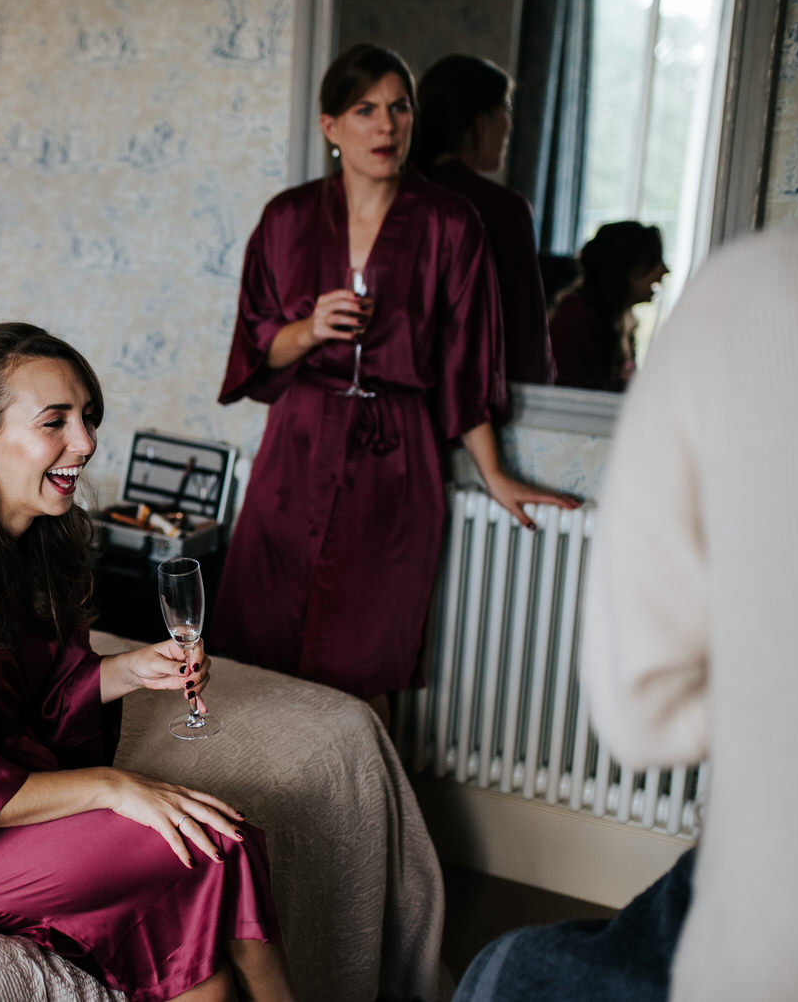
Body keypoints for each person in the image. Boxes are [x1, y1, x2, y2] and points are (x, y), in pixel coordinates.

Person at [0, 322, 294, 1002]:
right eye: (55, 422)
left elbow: (33, 697)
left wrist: (129, 669)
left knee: (199, 913)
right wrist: (113, 785)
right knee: (219, 843)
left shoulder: (38, 534)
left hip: (0, 799)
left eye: (87, 418)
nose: (88, 444)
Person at [455, 224, 798, 1000]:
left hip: (770, 949)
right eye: (652, 264)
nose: (662, 276)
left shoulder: (756, 295)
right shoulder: (586, 321)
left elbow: (639, 715)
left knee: (502, 972)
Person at [211, 43, 576, 722]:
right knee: (255, 648)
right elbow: (259, 340)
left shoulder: (449, 223)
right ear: (331, 127)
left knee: (361, 667)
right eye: (365, 110)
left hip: (396, 459)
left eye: (399, 108)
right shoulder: (287, 220)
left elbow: (468, 360)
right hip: (296, 447)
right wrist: (313, 329)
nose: (385, 126)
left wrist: (494, 474)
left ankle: (355, 816)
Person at [412, 53, 556, 385]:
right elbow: (527, 337)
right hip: (479, 397)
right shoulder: (504, 210)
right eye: (504, 109)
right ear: (479, 120)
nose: (509, 125)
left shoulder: (397, 194)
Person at [548, 221, 668, 392]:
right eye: (653, 261)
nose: (664, 270)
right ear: (624, 268)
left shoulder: (621, 322)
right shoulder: (575, 318)